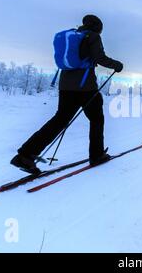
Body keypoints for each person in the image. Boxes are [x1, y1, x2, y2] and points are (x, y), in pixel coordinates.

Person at [11, 15, 123, 174]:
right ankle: (97, 155)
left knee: (60, 120)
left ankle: (25, 155)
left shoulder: (73, 36)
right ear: (98, 27)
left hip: (65, 86)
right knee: (97, 118)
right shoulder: (93, 36)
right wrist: (117, 65)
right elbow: (100, 58)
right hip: (85, 87)